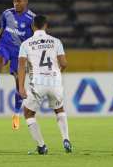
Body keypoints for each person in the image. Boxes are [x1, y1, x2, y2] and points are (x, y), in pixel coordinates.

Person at [18, 15, 72, 154]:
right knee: (59, 109)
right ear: (46, 25)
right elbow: (64, 63)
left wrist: (21, 87)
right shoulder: (56, 41)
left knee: (28, 113)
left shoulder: (26, 44)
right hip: (54, 80)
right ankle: (66, 139)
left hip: (38, 82)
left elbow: (21, 66)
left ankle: (42, 146)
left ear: (32, 26)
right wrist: (57, 73)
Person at [0, 0, 36, 130]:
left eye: (19, 1)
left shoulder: (32, 18)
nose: (16, 3)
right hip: (5, 46)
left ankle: (16, 114)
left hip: (20, 53)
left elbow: (36, 39)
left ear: (25, 1)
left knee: (19, 82)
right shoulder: (7, 13)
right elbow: (1, 31)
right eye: (14, 1)